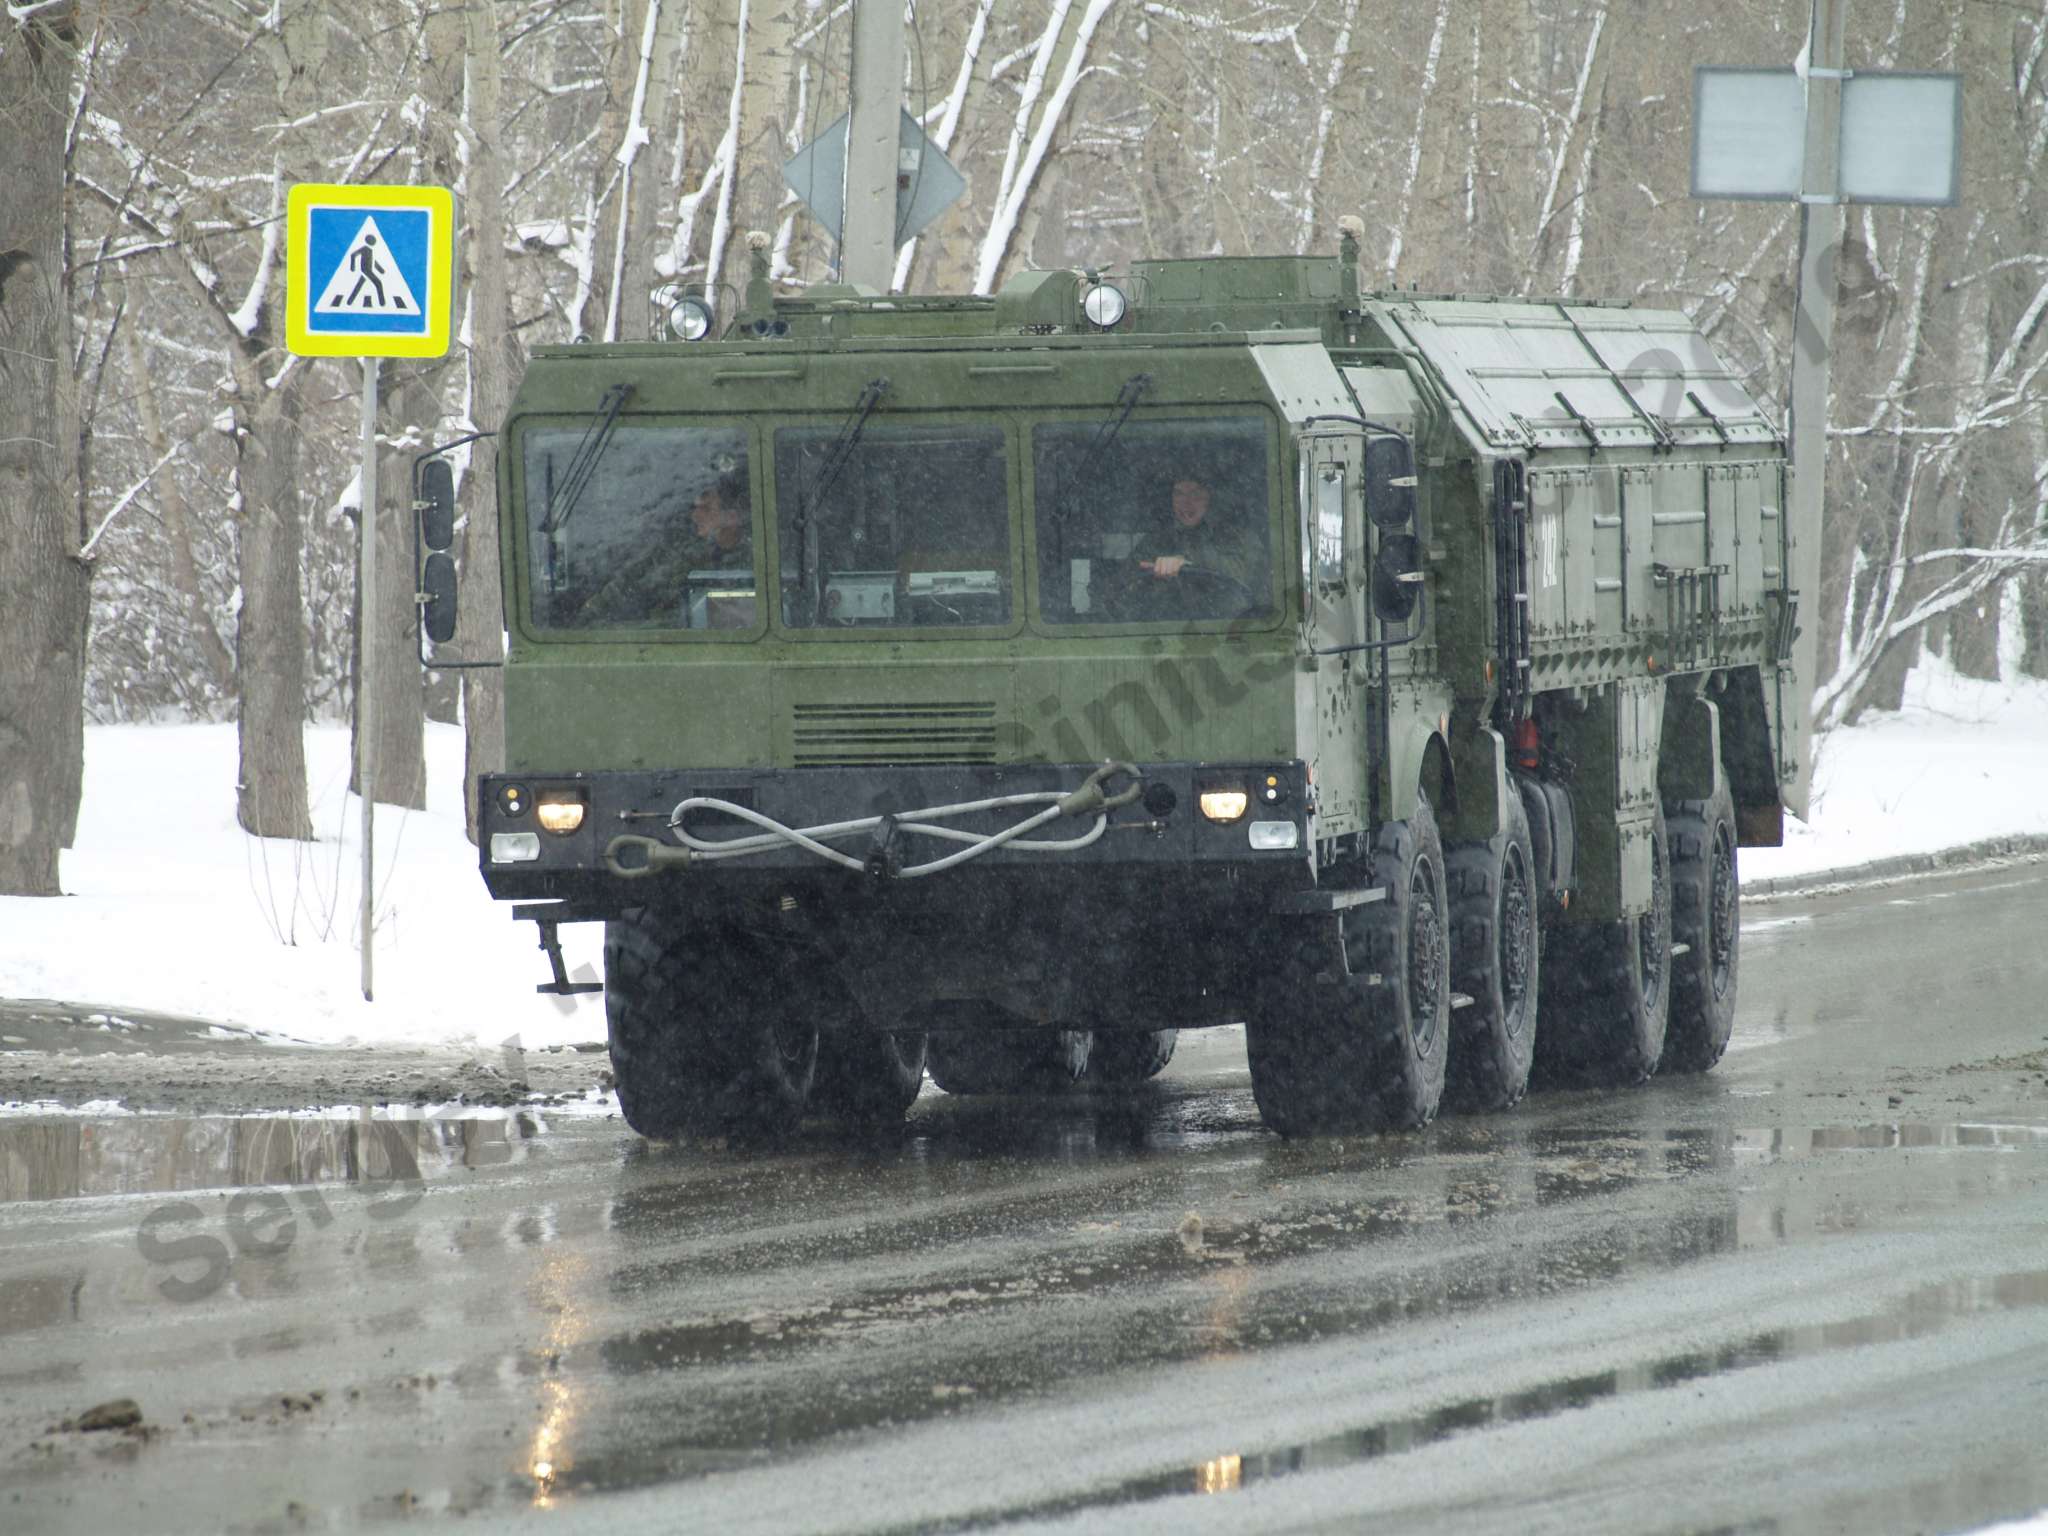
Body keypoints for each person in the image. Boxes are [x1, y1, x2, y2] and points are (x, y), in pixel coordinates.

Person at [580, 470, 752, 626]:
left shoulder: (753, 561)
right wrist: (590, 613)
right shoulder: (679, 551)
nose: (695, 515)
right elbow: (632, 580)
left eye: (706, 509)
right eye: (695, 508)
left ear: (732, 516)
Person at [1124, 473, 1265, 615]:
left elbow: (1244, 576)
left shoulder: (1238, 536)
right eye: (1178, 494)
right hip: (1165, 629)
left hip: (1230, 628)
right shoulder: (1156, 540)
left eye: (1195, 494)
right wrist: (1154, 580)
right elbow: (1126, 584)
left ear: (1209, 498)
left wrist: (1185, 562)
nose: (1186, 502)